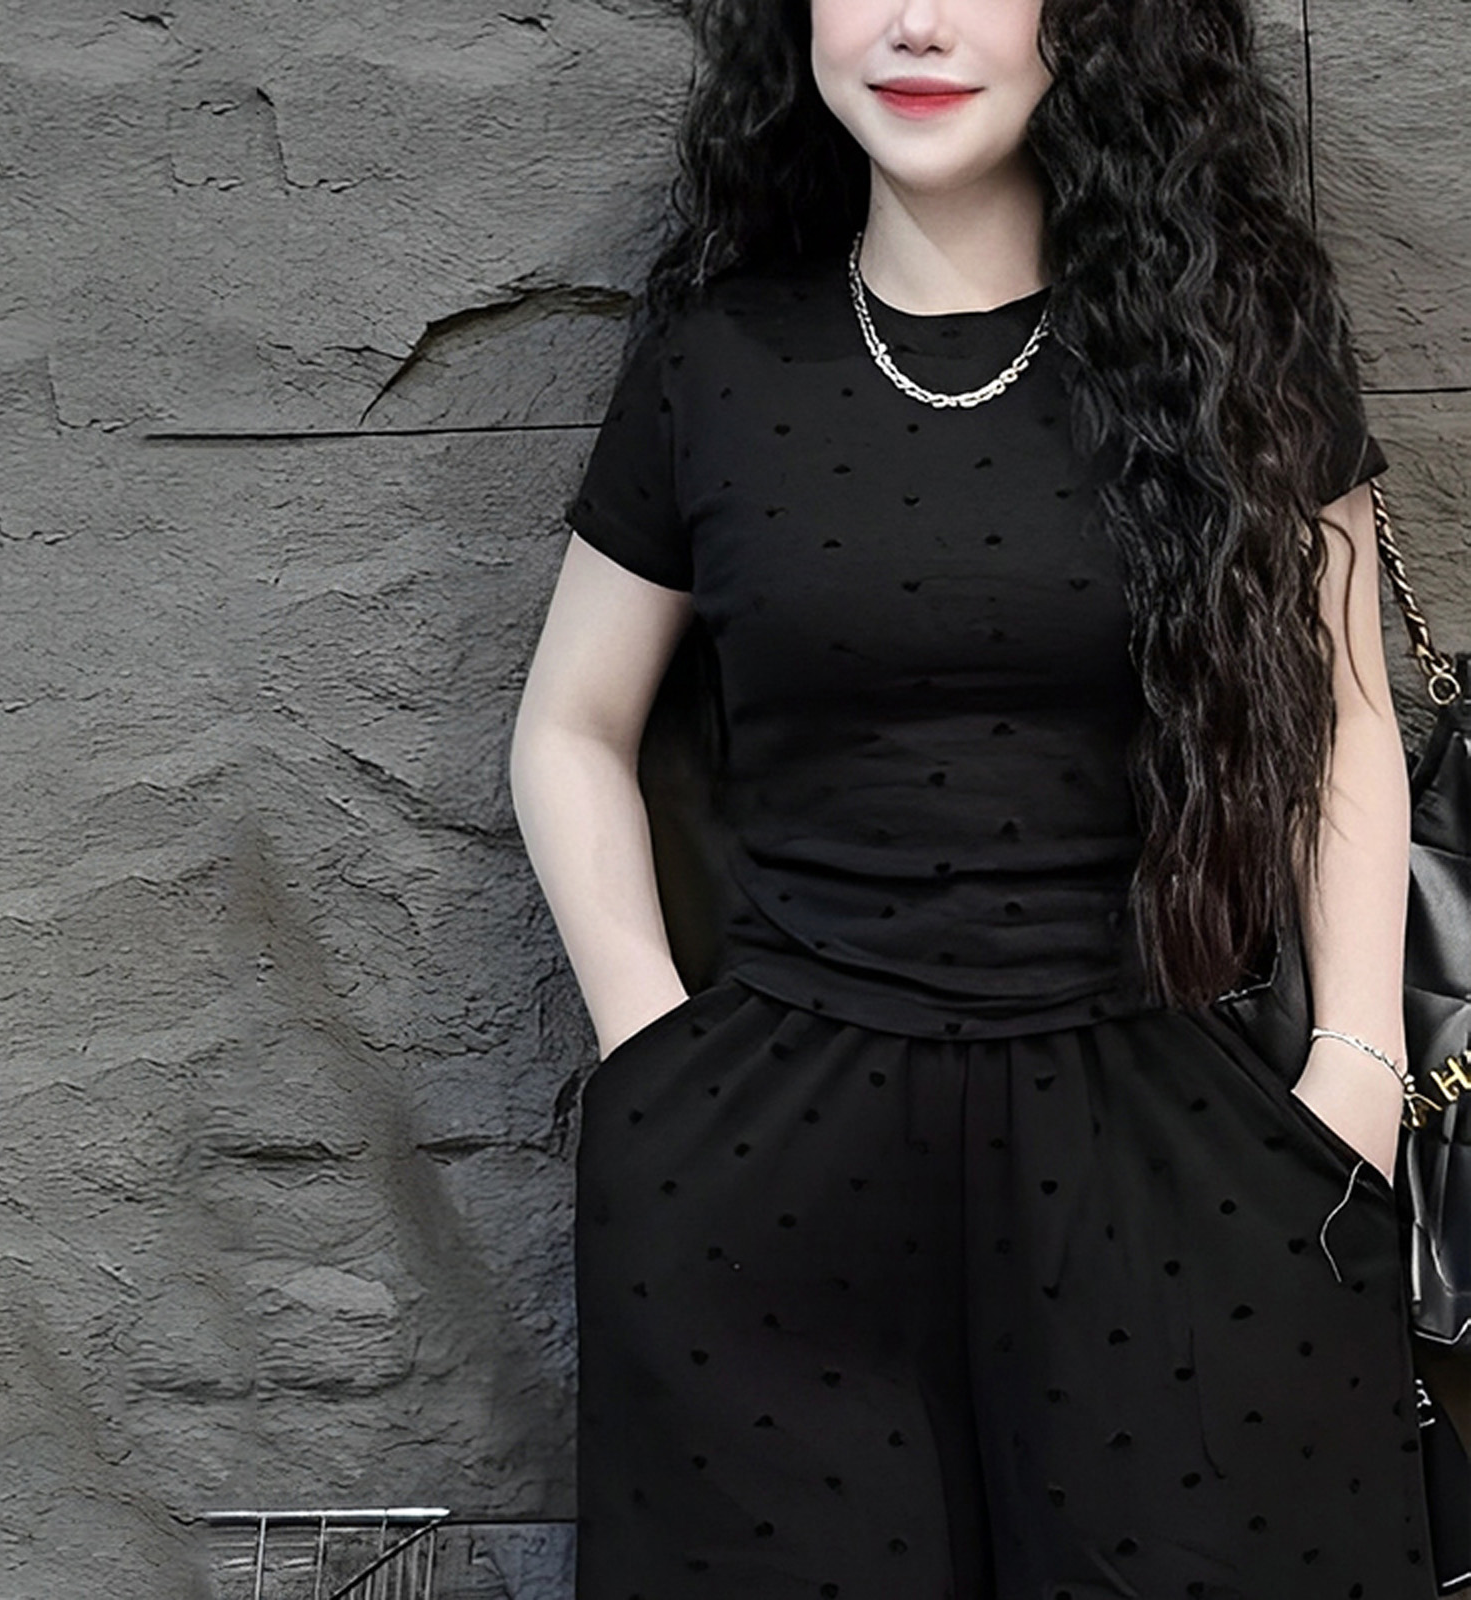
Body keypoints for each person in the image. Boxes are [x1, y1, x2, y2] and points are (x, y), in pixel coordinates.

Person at [508, 0, 1439, 1593]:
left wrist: (1359, 1063)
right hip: (771, 1178)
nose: (917, 22)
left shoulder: (1238, 347)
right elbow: (569, 727)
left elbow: (1347, 721)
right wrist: (651, 1056)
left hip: (1169, 1134)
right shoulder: (714, 364)